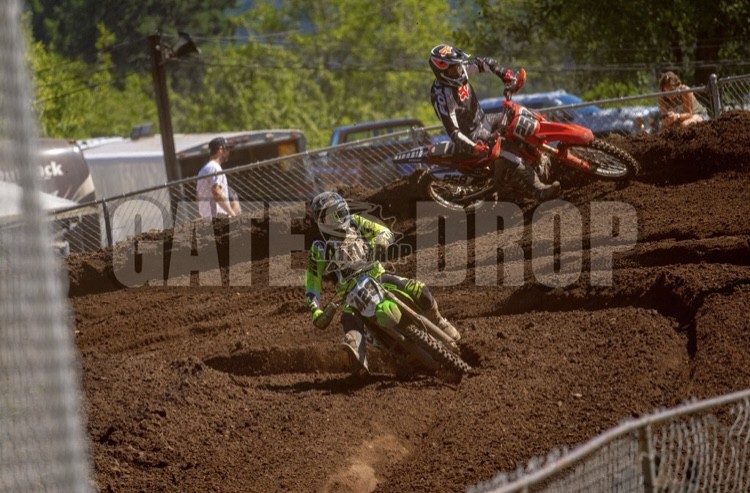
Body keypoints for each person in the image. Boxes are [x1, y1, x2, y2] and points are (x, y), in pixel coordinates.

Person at [304, 191, 461, 374]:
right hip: (350, 294)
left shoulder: (356, 222)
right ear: (322, 222)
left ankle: (438, 321)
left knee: (419, 289)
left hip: (377, 277)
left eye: (341, 212)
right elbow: (312, 284)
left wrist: (380, 240)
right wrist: (315, 310)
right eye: (333, 216)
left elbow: (384, 231)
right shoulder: (319, 248)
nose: (340, 218)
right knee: (350, 325)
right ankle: (358, 360)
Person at [428, 43, 560, 201]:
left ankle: (542, 156)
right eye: (453, 69)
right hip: (471, 135)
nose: (459, 70)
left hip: (484, 120)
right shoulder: (442, 96)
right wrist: (474, 147)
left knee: (519, 115)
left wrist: (505, 75)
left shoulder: (460, 70)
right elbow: (454, 132)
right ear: (442, 72)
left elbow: (485, 62)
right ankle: (538, 190)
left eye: (458, 66)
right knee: (507, 149)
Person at [197, 137, 236, 219]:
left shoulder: (203, 169)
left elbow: (197, 196)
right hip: (217, 217)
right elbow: (216, 192)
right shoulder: (215, 168)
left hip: (207, 217)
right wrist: (231, 213)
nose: (229, 152)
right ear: (220, 149)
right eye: (227, 149)